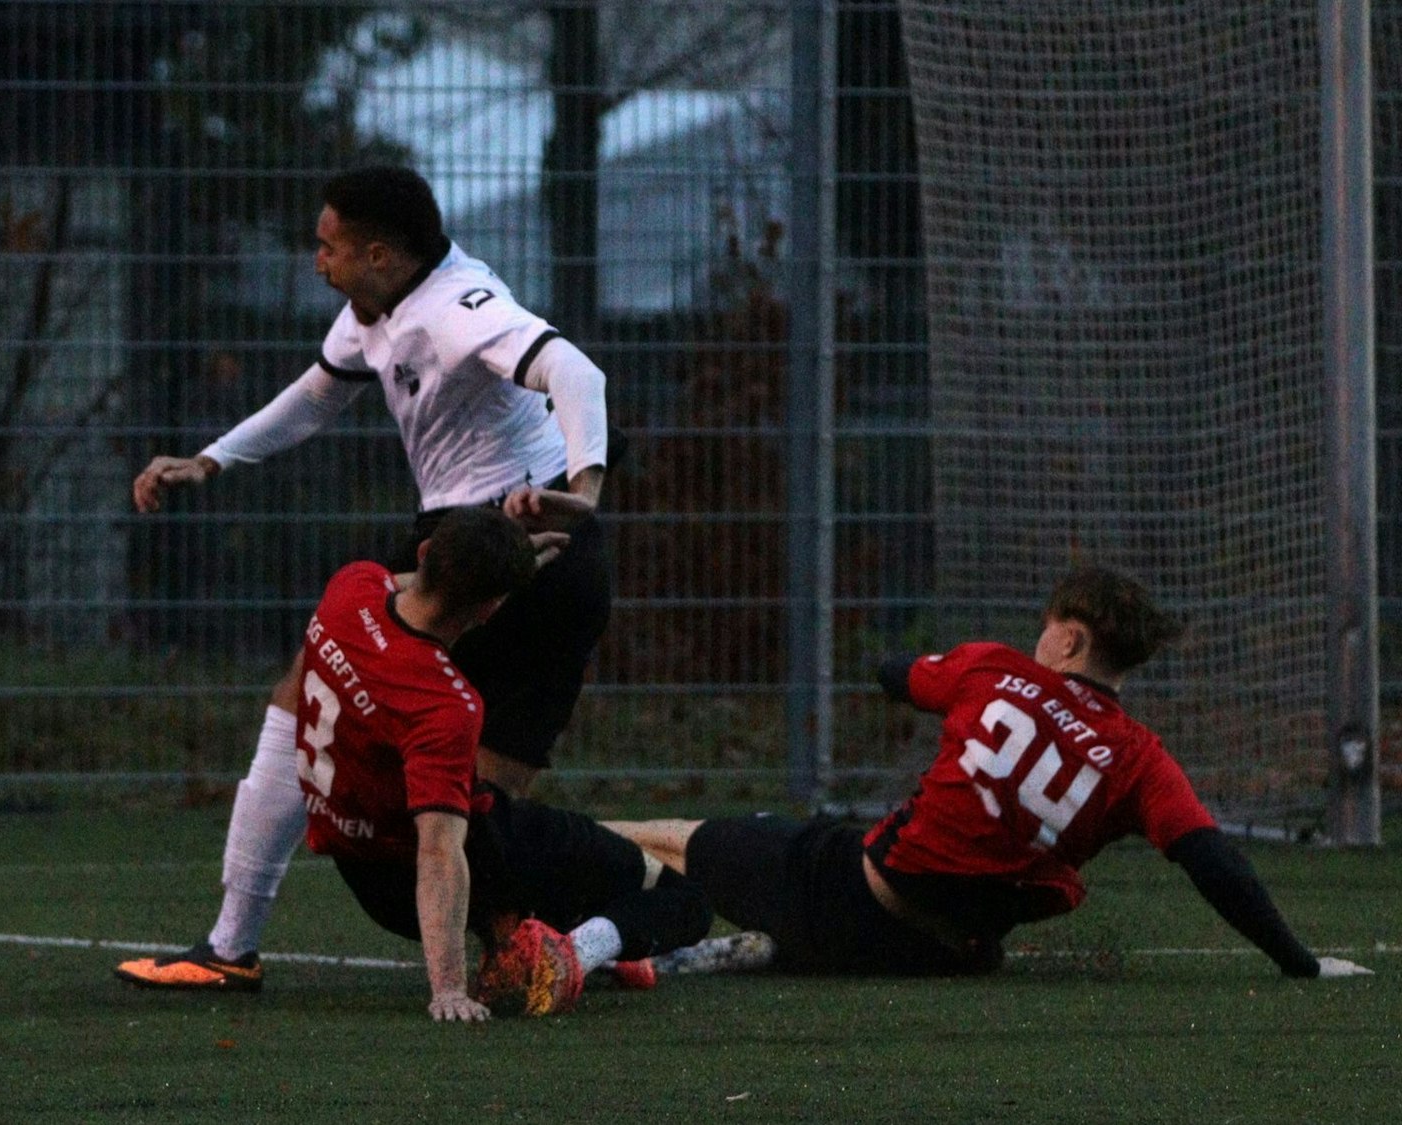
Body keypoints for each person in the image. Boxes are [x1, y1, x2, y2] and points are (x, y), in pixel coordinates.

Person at [118, 165, 614, 991]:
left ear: (379, 254)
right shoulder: (374, 309)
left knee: (475, 800)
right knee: (318, 692)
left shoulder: (460, 309)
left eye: (329, 246)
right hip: (465, 537)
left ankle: (586, 937)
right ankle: (235, 946)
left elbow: (579, 373)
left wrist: (585, 492)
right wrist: (211, 459)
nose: (318, 261)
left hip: (524, 551)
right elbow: (315, 396)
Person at [607, 566, 1372, 980]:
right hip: (949, 958)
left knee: (675, 840)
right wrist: (1295, 961)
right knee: (811, 873)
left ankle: (536, 856)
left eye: (1049, 625)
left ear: (1069, 638)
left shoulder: (994, 670)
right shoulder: (1142, 756)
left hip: (855, 896)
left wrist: (916, 668)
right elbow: (1215, 862)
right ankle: (758, 946)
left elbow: (891, 672)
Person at [127, 507, 709, 1020]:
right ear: (489, 612)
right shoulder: (445, 703)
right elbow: (439, 850)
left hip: (372, 885)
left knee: (555, 880)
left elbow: (410, 583)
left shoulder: (348, 589)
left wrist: (497, 563)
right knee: (682, 899)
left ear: (427, 553)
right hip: (467, 859)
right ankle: (571, 955)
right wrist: (447, 989)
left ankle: (531, 937)